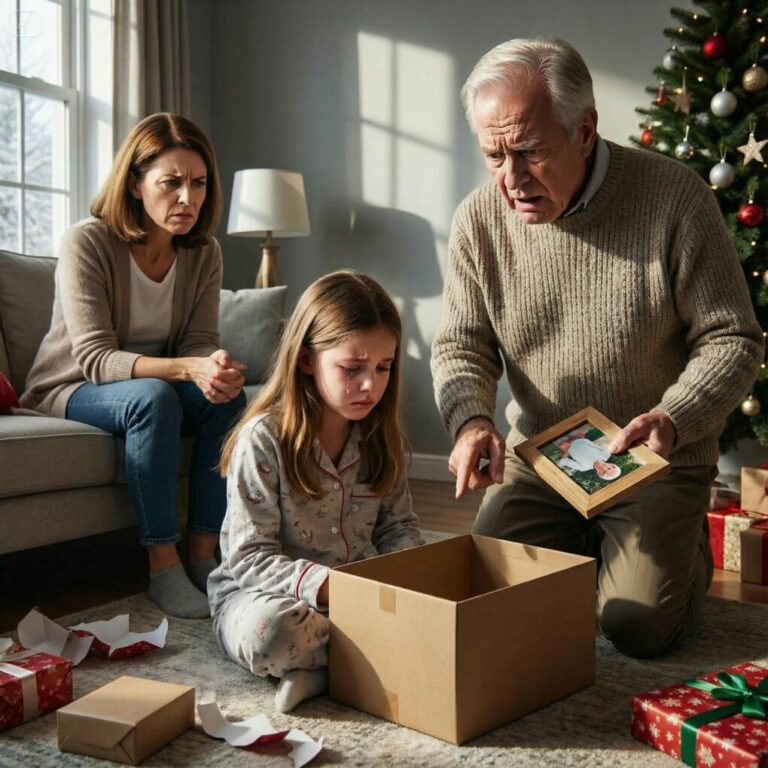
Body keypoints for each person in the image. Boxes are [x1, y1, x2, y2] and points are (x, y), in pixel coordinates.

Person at [430, 37, 764, 658]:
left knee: (636, 628)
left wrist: (675, 417)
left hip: (654, 456)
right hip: (543, 456)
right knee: (486, 597)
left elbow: (732, 337)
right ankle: (593, 546)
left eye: (529, 152)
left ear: (585, 130)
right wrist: (471, 420)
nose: (510, 180)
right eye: (493, 156)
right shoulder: (478, 219)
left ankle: (681, 541)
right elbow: (461, 342)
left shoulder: (675, 198)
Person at [21, 113, 247, 619]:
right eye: (171, 183)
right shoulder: (88, 243)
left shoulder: (204, 253)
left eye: (199, 183)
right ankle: (163, 567)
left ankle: (204, 559)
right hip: (72, 387)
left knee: (228, 398)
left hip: (146, 386)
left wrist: (216, 365)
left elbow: (199, 341)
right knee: (154, 397)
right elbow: (97, 359)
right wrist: (188, 369)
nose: (188, 198)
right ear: (135, 184)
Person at [208, 270, 424, 712]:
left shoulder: (383, 441)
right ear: (307, 359)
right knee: (268, 634)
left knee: (442, 613)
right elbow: (249, 558)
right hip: (265, 598)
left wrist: (419, 581)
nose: (371, 385)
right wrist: (333, 590)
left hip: (356, 597)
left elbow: (398, 528)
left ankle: (327, 670)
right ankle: (362, 661)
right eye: (352, 368)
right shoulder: (263, 440)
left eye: (384, 368)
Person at [557, 436, 621, 481]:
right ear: (611, 464)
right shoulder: (607, 453)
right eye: (609, 468)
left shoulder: (583, 468)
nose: (604, 468)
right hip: (579, 436)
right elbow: (601, 441)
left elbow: (563, 461)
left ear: (598, 473)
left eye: (604, 472)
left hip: (565, 444)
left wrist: (567, 449)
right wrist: (581, 438)